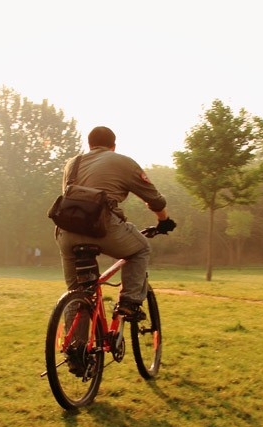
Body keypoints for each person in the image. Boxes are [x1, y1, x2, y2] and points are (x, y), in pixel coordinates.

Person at [55, 126, 175, 319]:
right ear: (113, 146)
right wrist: (164, 221)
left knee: (78, 295)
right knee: (141, 249)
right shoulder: (123, 162)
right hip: (102, 227)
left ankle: (75, 336)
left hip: (66, 233)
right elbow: (155, 200)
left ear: (89, 145)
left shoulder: (72, 163)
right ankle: (129, 302)